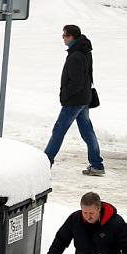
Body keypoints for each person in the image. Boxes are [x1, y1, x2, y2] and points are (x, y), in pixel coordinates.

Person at [44, 24, 106, 176]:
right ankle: (97, 164)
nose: (63, 38)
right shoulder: (84, 51)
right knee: (87, 131)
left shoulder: (76, 55)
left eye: (64, 35)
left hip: (75, 100)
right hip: (84, 98)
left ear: (71, 37)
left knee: (58, 130)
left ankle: (45, 162)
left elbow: (76, 81)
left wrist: (65, 95)